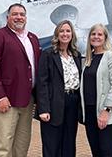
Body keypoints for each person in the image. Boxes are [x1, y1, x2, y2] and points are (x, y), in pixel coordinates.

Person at [0, 3, 41, 157]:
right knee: (2, 148)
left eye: (22, 14)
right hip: (4, 101)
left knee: (21, 146)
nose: (19, 17)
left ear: (26, 18)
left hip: (26, 100)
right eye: (15, 14)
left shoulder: (33, 38)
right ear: (7, 17)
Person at [36, 20, 82, 157]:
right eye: (62, 31)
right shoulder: (48, 54)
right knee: (52, 144)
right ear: (57, 34)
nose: (65, 34)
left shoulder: (76, 55)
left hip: (73, 102)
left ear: (72, 34)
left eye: (68, 31)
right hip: (54, 103)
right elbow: (42, 83)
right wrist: (43, 109)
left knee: (69, 142)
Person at [81, 23, 112, 157]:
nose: (96, 37)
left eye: (100, 34)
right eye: (93, 34)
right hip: (89, 112)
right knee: (95, 150)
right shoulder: (88, 59)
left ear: (105, 37)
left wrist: (107, 110)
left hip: (105, 112)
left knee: (106, 151)